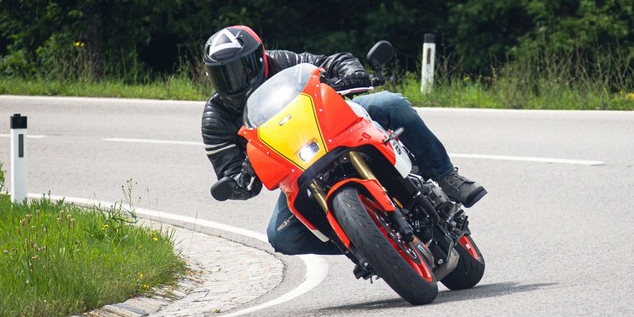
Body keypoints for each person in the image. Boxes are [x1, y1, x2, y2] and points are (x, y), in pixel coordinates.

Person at [201, 25, 486, 255]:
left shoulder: (281, 61)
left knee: (391, 103)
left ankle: (447, 177)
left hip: (335, 127)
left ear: (259, 59)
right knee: (281, 236)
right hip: (296, 167)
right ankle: (360, 244)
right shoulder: (216, 119)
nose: (233, 81)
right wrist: (240, 180)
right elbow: (232, 177)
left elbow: (330, 61)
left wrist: (352, 74)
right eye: (222, 75)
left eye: (240, 69)